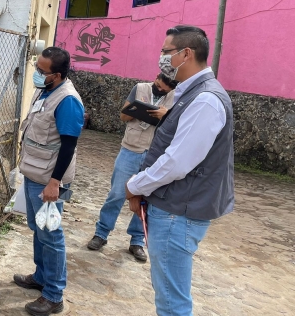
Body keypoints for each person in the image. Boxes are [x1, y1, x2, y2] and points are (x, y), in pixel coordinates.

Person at [126, 25, 234, 316]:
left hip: (178, 214)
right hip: (175, 208)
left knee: (172, 302)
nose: (161, 58)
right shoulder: (191, 93)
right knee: (168, 295)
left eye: (166, 52)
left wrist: (136, 185)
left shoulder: (206, 99)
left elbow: (178, 161)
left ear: (186, 53)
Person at [13, 47, 85, 316]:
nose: (36, 74)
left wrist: (54, 183)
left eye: (41, 71)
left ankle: (54, 295)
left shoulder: (67, 101)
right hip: (35, 174)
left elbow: (68, 145)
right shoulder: (46, 90)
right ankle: (41, 277)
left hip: (49, 182)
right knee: (38, 229)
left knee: (51, 235)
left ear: (56, 75)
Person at [87, 73, 177, 262]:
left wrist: (165, 115)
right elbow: (123, 115)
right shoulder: (140, 88)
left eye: (164, 88)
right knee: (117, 193)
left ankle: (137, 241)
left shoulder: (177, 97)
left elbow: (179, 126)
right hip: (130, 150)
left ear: (172, 87)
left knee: (145, 199)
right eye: (158, 84)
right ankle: (101, 233)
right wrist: (137, 111)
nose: (159, 89)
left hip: (155, 155)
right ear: (157, 77)